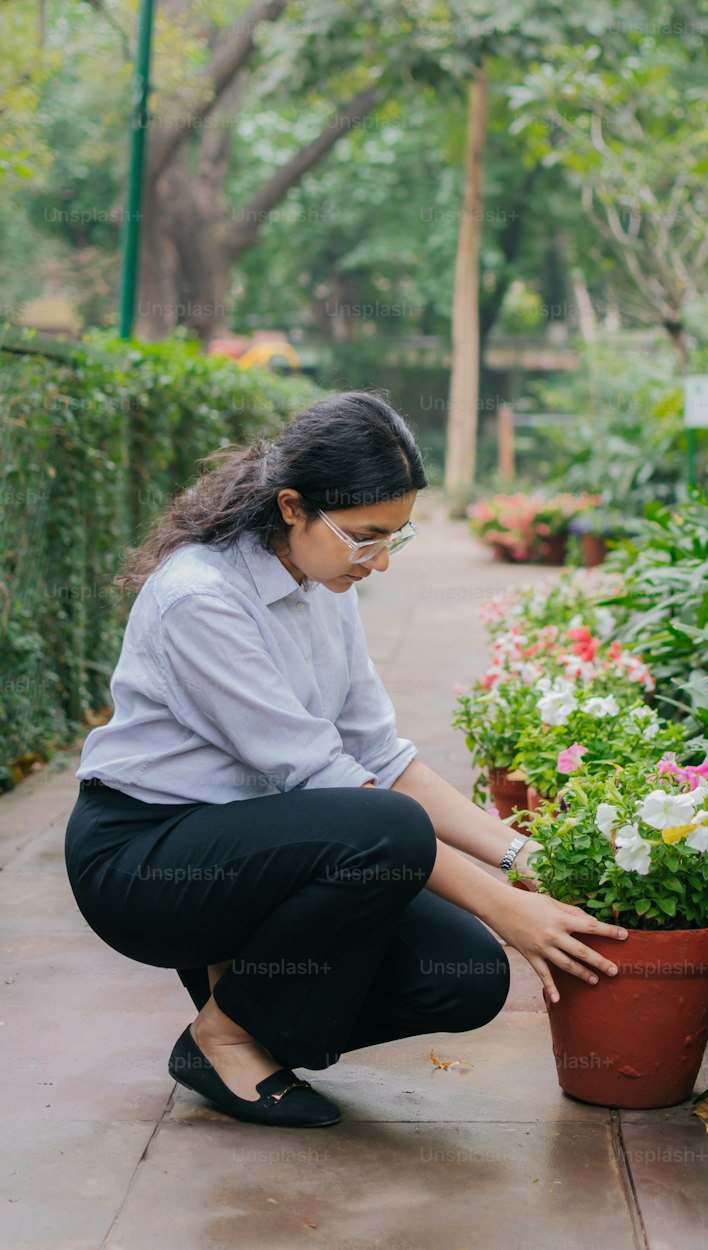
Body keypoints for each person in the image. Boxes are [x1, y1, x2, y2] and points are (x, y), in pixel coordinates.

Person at [63, 390, 627, 1129]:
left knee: (464, 979)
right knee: (386, 832)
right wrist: (508, 910)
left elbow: (383, 758)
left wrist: (525, 857)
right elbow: (335, 785)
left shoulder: (327, 582)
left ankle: (247, 1002)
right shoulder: (201, 599)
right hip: (147, 859)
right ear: (292, 507)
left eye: (396, 537)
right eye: (366, 536)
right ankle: (224, 1035)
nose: (381, 561)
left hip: (264, 845)